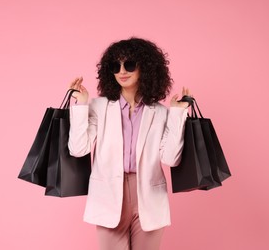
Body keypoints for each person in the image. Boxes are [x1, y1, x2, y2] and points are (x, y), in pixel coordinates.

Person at [68, 37, 191, 250]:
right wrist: (81, 104)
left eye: (130, 64)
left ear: (146, 67)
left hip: (148, 196)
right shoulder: (99, 107)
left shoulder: (160, 112)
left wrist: (178, 113)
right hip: (109, 194)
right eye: (116, 66)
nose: (122, 71)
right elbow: (78, 149)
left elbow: (171, 159)